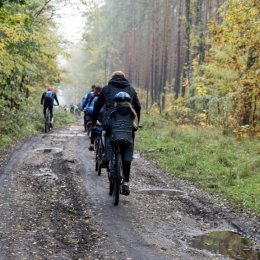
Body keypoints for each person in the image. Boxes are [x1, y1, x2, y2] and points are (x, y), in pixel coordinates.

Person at [92, 71, 141, 195]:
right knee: (126, 152)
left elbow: (97, 104)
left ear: (112, 78)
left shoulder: (107, 89)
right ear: (124, 78)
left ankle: (104, 157)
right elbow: (138, 106)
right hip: (127, 126)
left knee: (104, 133)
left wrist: (94, 120)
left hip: (111, 122)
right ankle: (126, 182)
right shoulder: (131, 89)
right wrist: (136, 122)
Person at [102, 92, 138, 195]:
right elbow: (135, 128)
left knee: (109, 139)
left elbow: (106, 127)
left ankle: (110, 162)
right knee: (126, 159)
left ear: (116, 102)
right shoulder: (132, 114)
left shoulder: (113, 113)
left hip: (114, 139)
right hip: (127, 141)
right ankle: (126, 182)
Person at [88, 86, 105, 151]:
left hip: (95, 115)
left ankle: (92, 144)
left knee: (93, 127)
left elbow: (90, 106)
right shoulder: (105, 98)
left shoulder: (93, 97)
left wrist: (93, 120)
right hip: (103, 116)